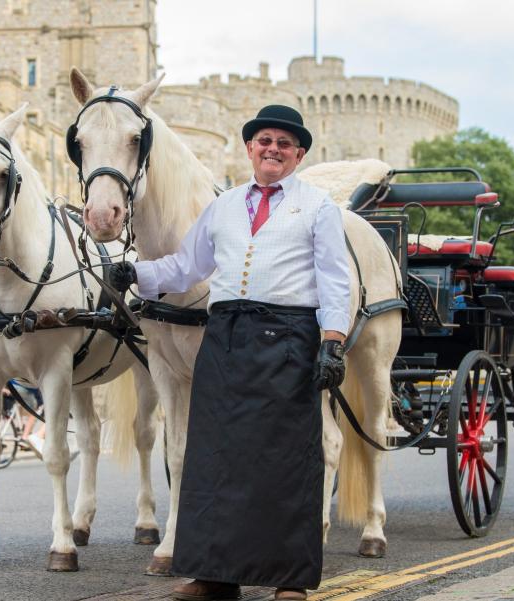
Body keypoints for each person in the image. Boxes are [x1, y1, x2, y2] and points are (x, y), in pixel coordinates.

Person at [109, 105, 349, 601]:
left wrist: (332, 342)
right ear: (249, 149)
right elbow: (185, 266)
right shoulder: (224, 206)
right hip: (226, 335)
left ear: (299, 154)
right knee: (213, 457)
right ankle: (215, 575)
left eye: (284, 143)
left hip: (288, 336)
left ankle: (291, 580)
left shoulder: (318, 207)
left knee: (286, 460)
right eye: (265, 141)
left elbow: (335, 281)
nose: (273, 150)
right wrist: (138, 274)